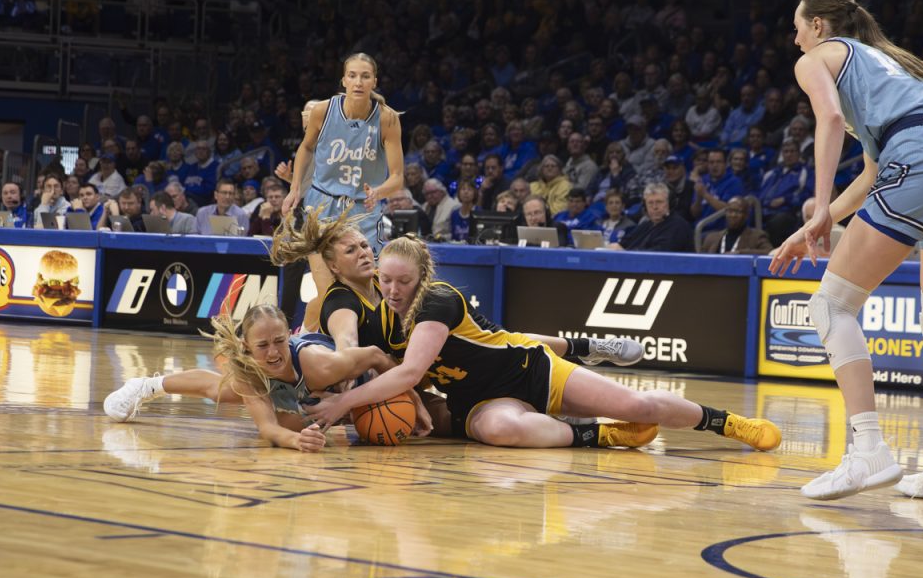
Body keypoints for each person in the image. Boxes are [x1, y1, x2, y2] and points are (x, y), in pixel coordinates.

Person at [769, 0, 923, 503]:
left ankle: (868, 448)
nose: (794, 36)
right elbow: (873, 171)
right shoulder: (884, 64)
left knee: (831, 307)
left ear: (819, 26)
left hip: (922, 159)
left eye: (797, 25)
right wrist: (812, 228)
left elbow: (825, 120)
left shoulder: (815, 61)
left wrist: (819, 204)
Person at [303, 234, 780, 450]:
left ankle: (729, 425)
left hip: (529, 369)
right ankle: (600, 435)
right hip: (479, 397)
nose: (391, 290)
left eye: (401, 281)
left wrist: (338, 408)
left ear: (421, 277)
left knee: (638, 404)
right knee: (502, 433)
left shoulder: (436, 301)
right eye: (384, 280)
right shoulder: (383, 316)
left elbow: (407, 371)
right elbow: (391, 372)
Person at [104, 305, 397, 452]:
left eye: (279, 341)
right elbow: (268, 428)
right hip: (299, 395)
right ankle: (146, 385)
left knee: (301, 415)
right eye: (262, 345)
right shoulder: (248, 370)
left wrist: (415, 396)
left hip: (354, 389)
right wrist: (298, 441)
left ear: (289, 337)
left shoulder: (319, 365)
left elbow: (375, 355)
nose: (273, 352)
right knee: (222, 390)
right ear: (246, 345)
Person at [280, 52, 404, 330]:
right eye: (352, 75)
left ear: (375, 81)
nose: (358, 82)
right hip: (321, 207)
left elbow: (397, 177)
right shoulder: (323, 111)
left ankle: (306, 339)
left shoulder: (388, 119)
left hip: (363, 212)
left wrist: (379, 191)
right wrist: (295, 187)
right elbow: (306, 147)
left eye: (365, 76)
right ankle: (304, 345)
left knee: (362, 293)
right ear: (343, 80)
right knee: (329, 295)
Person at [615, 182, 693, 252]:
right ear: (645, 206)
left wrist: (625, 253)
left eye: (659, 202)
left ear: (670, 204)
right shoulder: (647, 224)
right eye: (650, 203)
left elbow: (657, 255)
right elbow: (624, 242)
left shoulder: (678, 226)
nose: (655, 207)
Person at [701, 197, 772, 253]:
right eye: (730, 211)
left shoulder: (757, 237)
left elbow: (769, 252)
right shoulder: (711, 238)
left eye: (737, 212)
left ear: (746, 215)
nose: (733, 215)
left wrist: (739, 253)